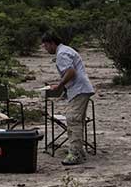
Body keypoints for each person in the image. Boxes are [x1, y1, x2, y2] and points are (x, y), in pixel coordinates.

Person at [40, 32, 94, 166]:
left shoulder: (61, 54)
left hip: (79, 89)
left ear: (52, 43)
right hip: (79, 89)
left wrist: (60, 85)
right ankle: (78, 151)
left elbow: (71, 72)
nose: (45, 49)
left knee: (73, 119)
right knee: (76, 120)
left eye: (46, 46)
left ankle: (75, 153)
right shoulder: (66, 50)